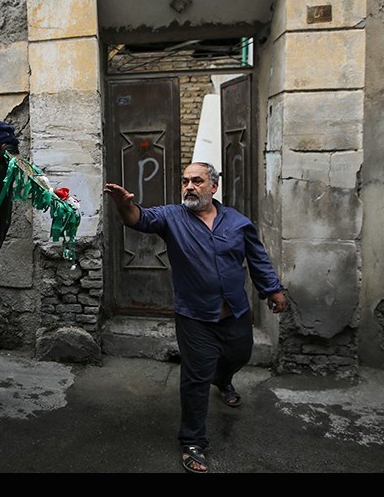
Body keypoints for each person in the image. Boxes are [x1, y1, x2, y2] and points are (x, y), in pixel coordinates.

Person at [104, 162, 287, 474]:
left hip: (235, 312)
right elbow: (140, 219)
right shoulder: (172, 217)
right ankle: (192, 441)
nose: (189, 186)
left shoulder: (238, 222)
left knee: (239, 354)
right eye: (185, 181)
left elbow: (257, 259)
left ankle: (224, 378)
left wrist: (273, 290)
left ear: (213, 187)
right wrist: (125, 206)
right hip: (194, 316)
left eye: (197, 181)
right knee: (195, 377)